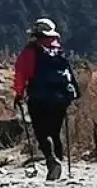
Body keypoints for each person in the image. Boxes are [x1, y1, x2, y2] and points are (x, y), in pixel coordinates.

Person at [14, 18, 80, 181]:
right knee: (55, 132)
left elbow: (21, 73)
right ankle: (59, 165)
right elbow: (69, 73)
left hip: (39, 96)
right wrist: (74, 94)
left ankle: (51, 161)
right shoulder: (57, 49)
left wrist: (19, 94)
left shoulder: (31, 51)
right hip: (61, 97)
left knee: (42, 132)